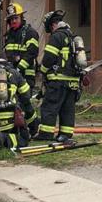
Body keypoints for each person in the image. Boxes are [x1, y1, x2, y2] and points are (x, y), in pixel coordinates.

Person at [36, 9, 80, 143]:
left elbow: (49, 58)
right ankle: (65, 135)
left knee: (50, 106)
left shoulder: (57, 36)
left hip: (58, 80)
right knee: (67, 109)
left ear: (52, 24)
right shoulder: (72, 36)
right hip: (73, 81)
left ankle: (45, 134)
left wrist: (42, 71)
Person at [3, 2, 41, 87]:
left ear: (21, 17)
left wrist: (19, 68)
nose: (14, 21)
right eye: (11, 19)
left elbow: (32, 53)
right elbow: (7, 54)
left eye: (16, 18)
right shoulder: (9, 35)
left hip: (26, 75)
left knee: (24, 99)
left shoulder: (30, 33)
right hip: (12, 75)